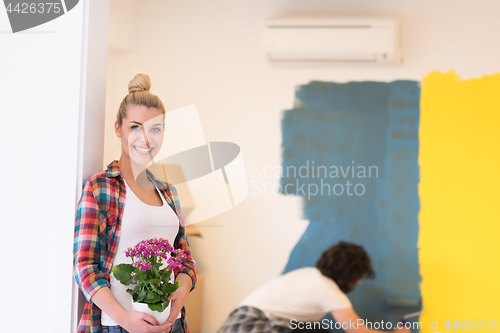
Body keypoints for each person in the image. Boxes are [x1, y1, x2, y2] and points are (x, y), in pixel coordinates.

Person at [73, 73, 196, 333]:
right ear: (118, 128)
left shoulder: (169, 192)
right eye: (135, 127)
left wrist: (182, 293)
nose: (146, 139)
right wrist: (125, 319)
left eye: (155, 128)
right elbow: (85, 267)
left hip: (172, 325)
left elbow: (184, 257)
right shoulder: (100, 188)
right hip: (119, 327)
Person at [217, 241, 411, 333]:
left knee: (314, 329)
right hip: (251, 327)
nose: (359, 282)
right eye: (358, 276)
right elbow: (357, 331)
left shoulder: (309, 275)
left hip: (234, 325)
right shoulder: (327, 289)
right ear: (349, 273)